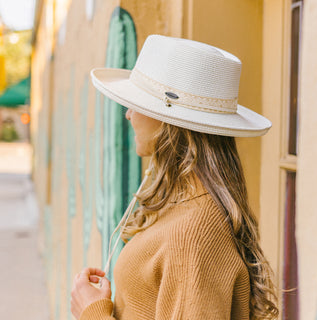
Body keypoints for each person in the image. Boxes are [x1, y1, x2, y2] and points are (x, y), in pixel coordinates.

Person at [71, 35, 279, 319]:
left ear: (169, 122)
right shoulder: (182, 204)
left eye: (138, 104)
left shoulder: (194, 231)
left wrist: (91, 311)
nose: (128, 114)